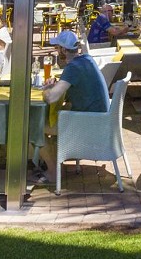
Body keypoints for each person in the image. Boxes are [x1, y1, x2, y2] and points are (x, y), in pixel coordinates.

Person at [38, 30, 110, 183]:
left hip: (88, 124)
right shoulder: (86, 59)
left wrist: (46, 90)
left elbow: (51, 98)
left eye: (57, 48)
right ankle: (54, 163)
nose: (56, 52)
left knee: (35, 129)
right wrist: (56, 86)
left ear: (63, 50)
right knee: (56, 116)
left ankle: (53, 172)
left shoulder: (73, 68)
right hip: (100, 120)